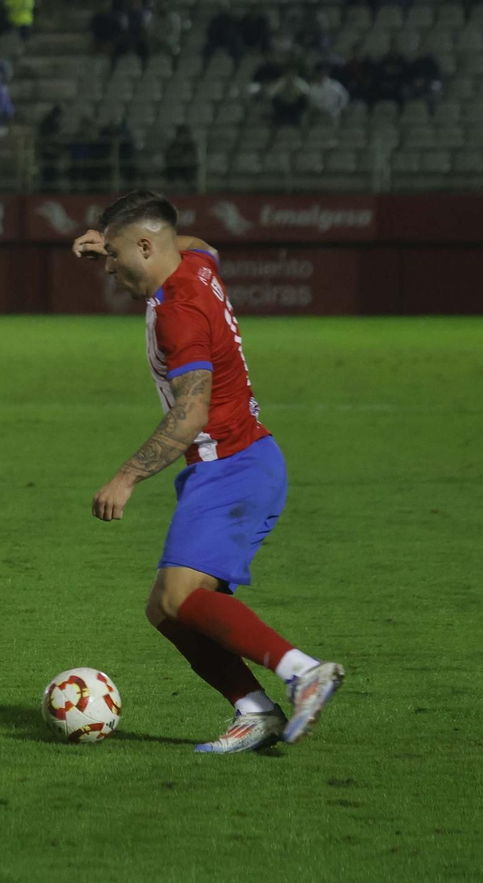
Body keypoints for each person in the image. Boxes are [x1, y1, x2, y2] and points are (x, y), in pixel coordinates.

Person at [72, 191, 344, 753]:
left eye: (115, 253)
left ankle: (302, 671)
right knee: (166, 608)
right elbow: (201, 243)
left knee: (177, 599)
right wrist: (111, 237)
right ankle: (255, 711)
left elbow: (190, 410)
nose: (109, 265)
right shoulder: (195, 265)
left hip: (232, 468)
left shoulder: (179, 312)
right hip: (239, 463)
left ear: (147, 246)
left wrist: (125, 478)